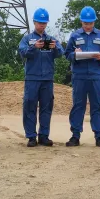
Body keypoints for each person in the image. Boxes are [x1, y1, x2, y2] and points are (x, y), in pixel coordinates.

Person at [64, 6, 100, 147]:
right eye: (85, 23)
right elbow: (67, 54)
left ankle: (99, 136)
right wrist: (76, 54)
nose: (88, 26)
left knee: (96, 106)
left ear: (94, 22)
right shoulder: (74, 36)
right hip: (79, 76)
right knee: (78, 106)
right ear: (81, 22)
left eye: (90, 23)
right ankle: (75, 136)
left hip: (96, 76)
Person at [18, 8, 64, 147]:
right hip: (32, 78)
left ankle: (44, 135)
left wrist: (55, 47)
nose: (42, 25)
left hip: (47, 79)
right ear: (34, 22)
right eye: (39, 22)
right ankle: (31, 136)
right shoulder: (27, 39)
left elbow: (61, 53)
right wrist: (34, 47)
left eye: (44, 23)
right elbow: (22, 52)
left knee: (46, 108)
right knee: (30, 106)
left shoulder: (51, 39)